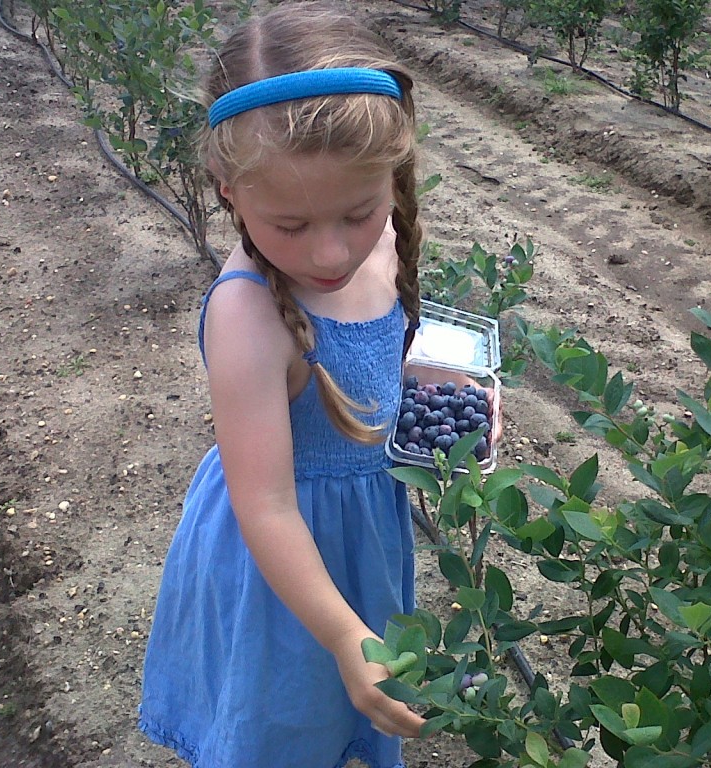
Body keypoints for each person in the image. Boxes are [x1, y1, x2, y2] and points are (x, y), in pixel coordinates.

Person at [138, 3, 428, 766]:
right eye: (290, 226)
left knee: (338, 718)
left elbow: (384, 367)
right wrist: (339, 631)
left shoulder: (388, 236)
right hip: (279, 574)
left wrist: (448, 406)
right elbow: (264, 505)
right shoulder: (249, 316)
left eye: (358, 213)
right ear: (229, 191)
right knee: (282, 723)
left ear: (388, 182)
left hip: (361, 539)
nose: (330, 251)